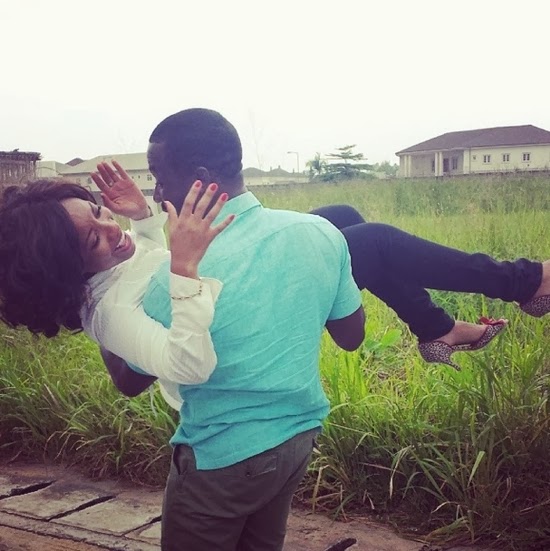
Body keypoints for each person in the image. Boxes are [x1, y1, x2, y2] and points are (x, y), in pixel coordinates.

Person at [0, 162, 235, 408]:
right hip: (225, 398)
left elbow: (148, 264)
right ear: (69, 271)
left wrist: (142, 217)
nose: (112, 227)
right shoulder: (110, 313)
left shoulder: (108, 263)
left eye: (96, 211)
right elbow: (190, 367)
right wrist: (184, 270)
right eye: (95, 240)